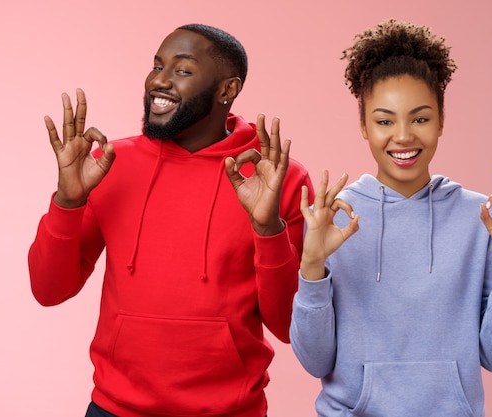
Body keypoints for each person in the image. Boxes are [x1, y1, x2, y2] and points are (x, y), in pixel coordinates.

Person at [28, 23, 313, 417]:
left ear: (227, 90)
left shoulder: (275, 176)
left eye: (181, 70)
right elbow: (48, 290)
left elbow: (289, 327)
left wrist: (268, 230)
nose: (158, 81)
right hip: (115, 409)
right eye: (157, 65)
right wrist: (67, 201)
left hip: (231, 411)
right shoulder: (110, 163)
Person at [289, 18, 492, 417]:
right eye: (384, 120)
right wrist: (311, 268)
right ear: (363, 125)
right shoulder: (333, 219)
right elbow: (314, 362)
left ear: (442, 120)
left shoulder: (479, 217)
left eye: (420, 118)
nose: (404, 136)